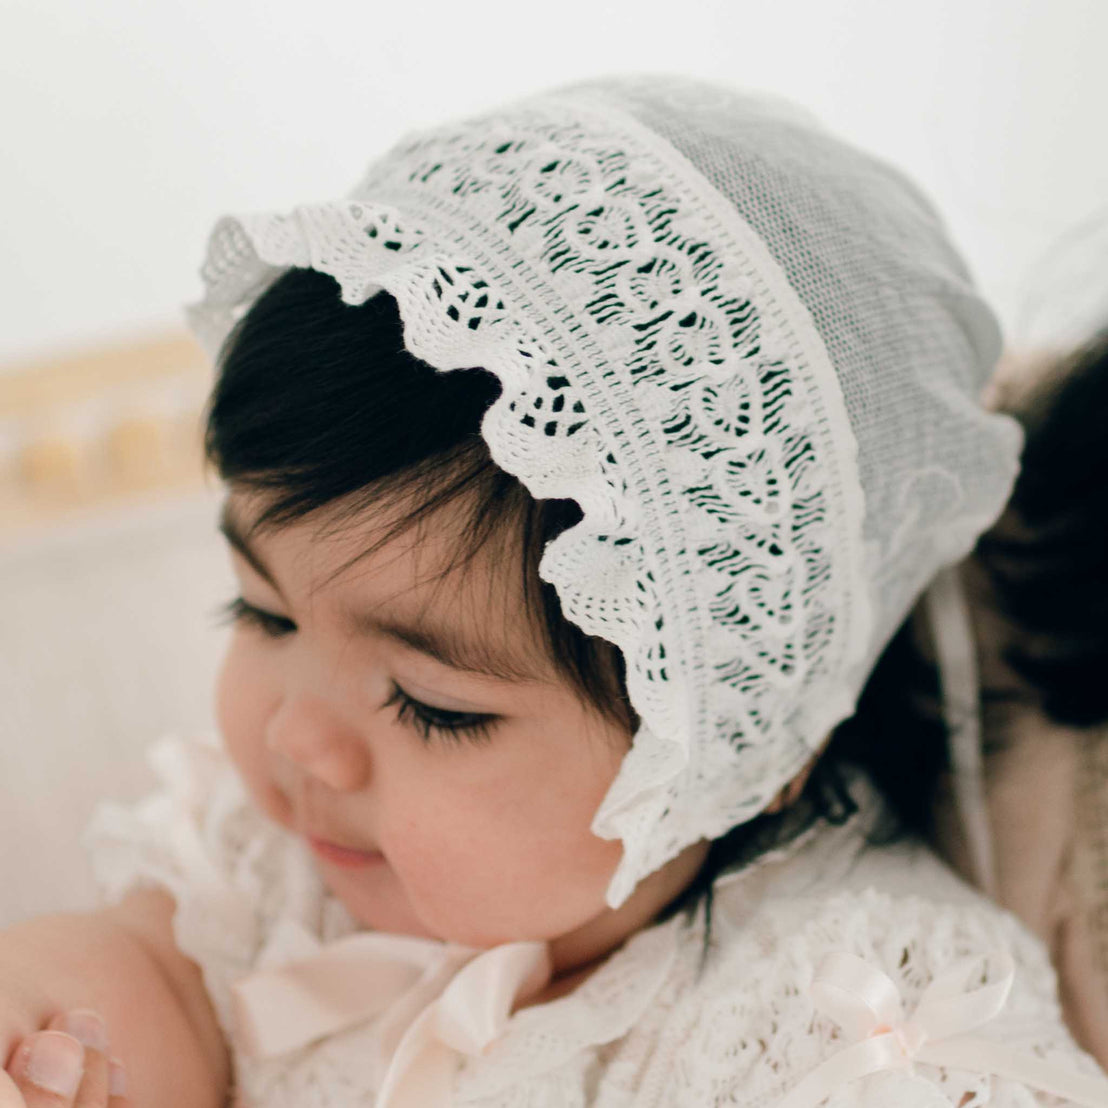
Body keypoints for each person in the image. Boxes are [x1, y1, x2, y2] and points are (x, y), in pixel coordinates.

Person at [3, 75, 1107, 1108]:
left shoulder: (860, 1016)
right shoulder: (279, 861)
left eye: (434, 704)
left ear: (742, 755)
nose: (299, 735)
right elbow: (156, 973)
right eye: (262, 611)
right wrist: (47, 1018)